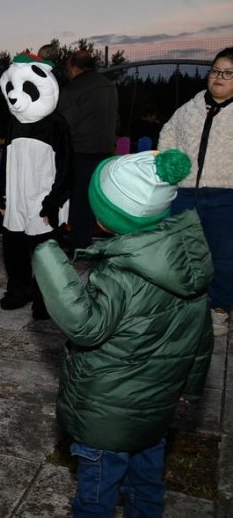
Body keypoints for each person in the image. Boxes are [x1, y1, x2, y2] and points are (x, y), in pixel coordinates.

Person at [32, 149, 213, 517]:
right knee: (146, 486)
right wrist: (189, 389)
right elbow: (201, 336)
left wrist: (47, 259)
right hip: (155, 412)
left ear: (109, 218)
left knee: (96, 497)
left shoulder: (121, 275)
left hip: (106, 418)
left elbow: (87, 326)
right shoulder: (184, 264)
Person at [159, 47, 233, 336]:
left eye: (228, 73)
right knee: (179, 250)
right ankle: (179, 303)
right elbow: (168, 134)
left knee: (223, 255)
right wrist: (169, 163)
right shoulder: (190, 108)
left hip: (225, 193)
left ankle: (220, 308)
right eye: (215, 70)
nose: (219, 77)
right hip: (186, 192)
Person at [0, 53, 73, 320]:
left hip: (44, 199)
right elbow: (6, 161)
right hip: (16, 197)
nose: (15, 96)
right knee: (13, 250)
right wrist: (1, 195)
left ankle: (46, 300)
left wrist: (54, 201)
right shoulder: (12, 124)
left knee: (46, 254)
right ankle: (19, 291)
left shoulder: (56, 124)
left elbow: (66, 167)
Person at [57, 49, 118, 251]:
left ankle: (79, 241)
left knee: (79, 198)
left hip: (81, 151)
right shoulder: (108, 85)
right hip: (105, 149)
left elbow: (64, 122)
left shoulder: (75, 89)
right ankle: (88, 236)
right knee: (95, 197)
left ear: (74, 67)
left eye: (67, 68)